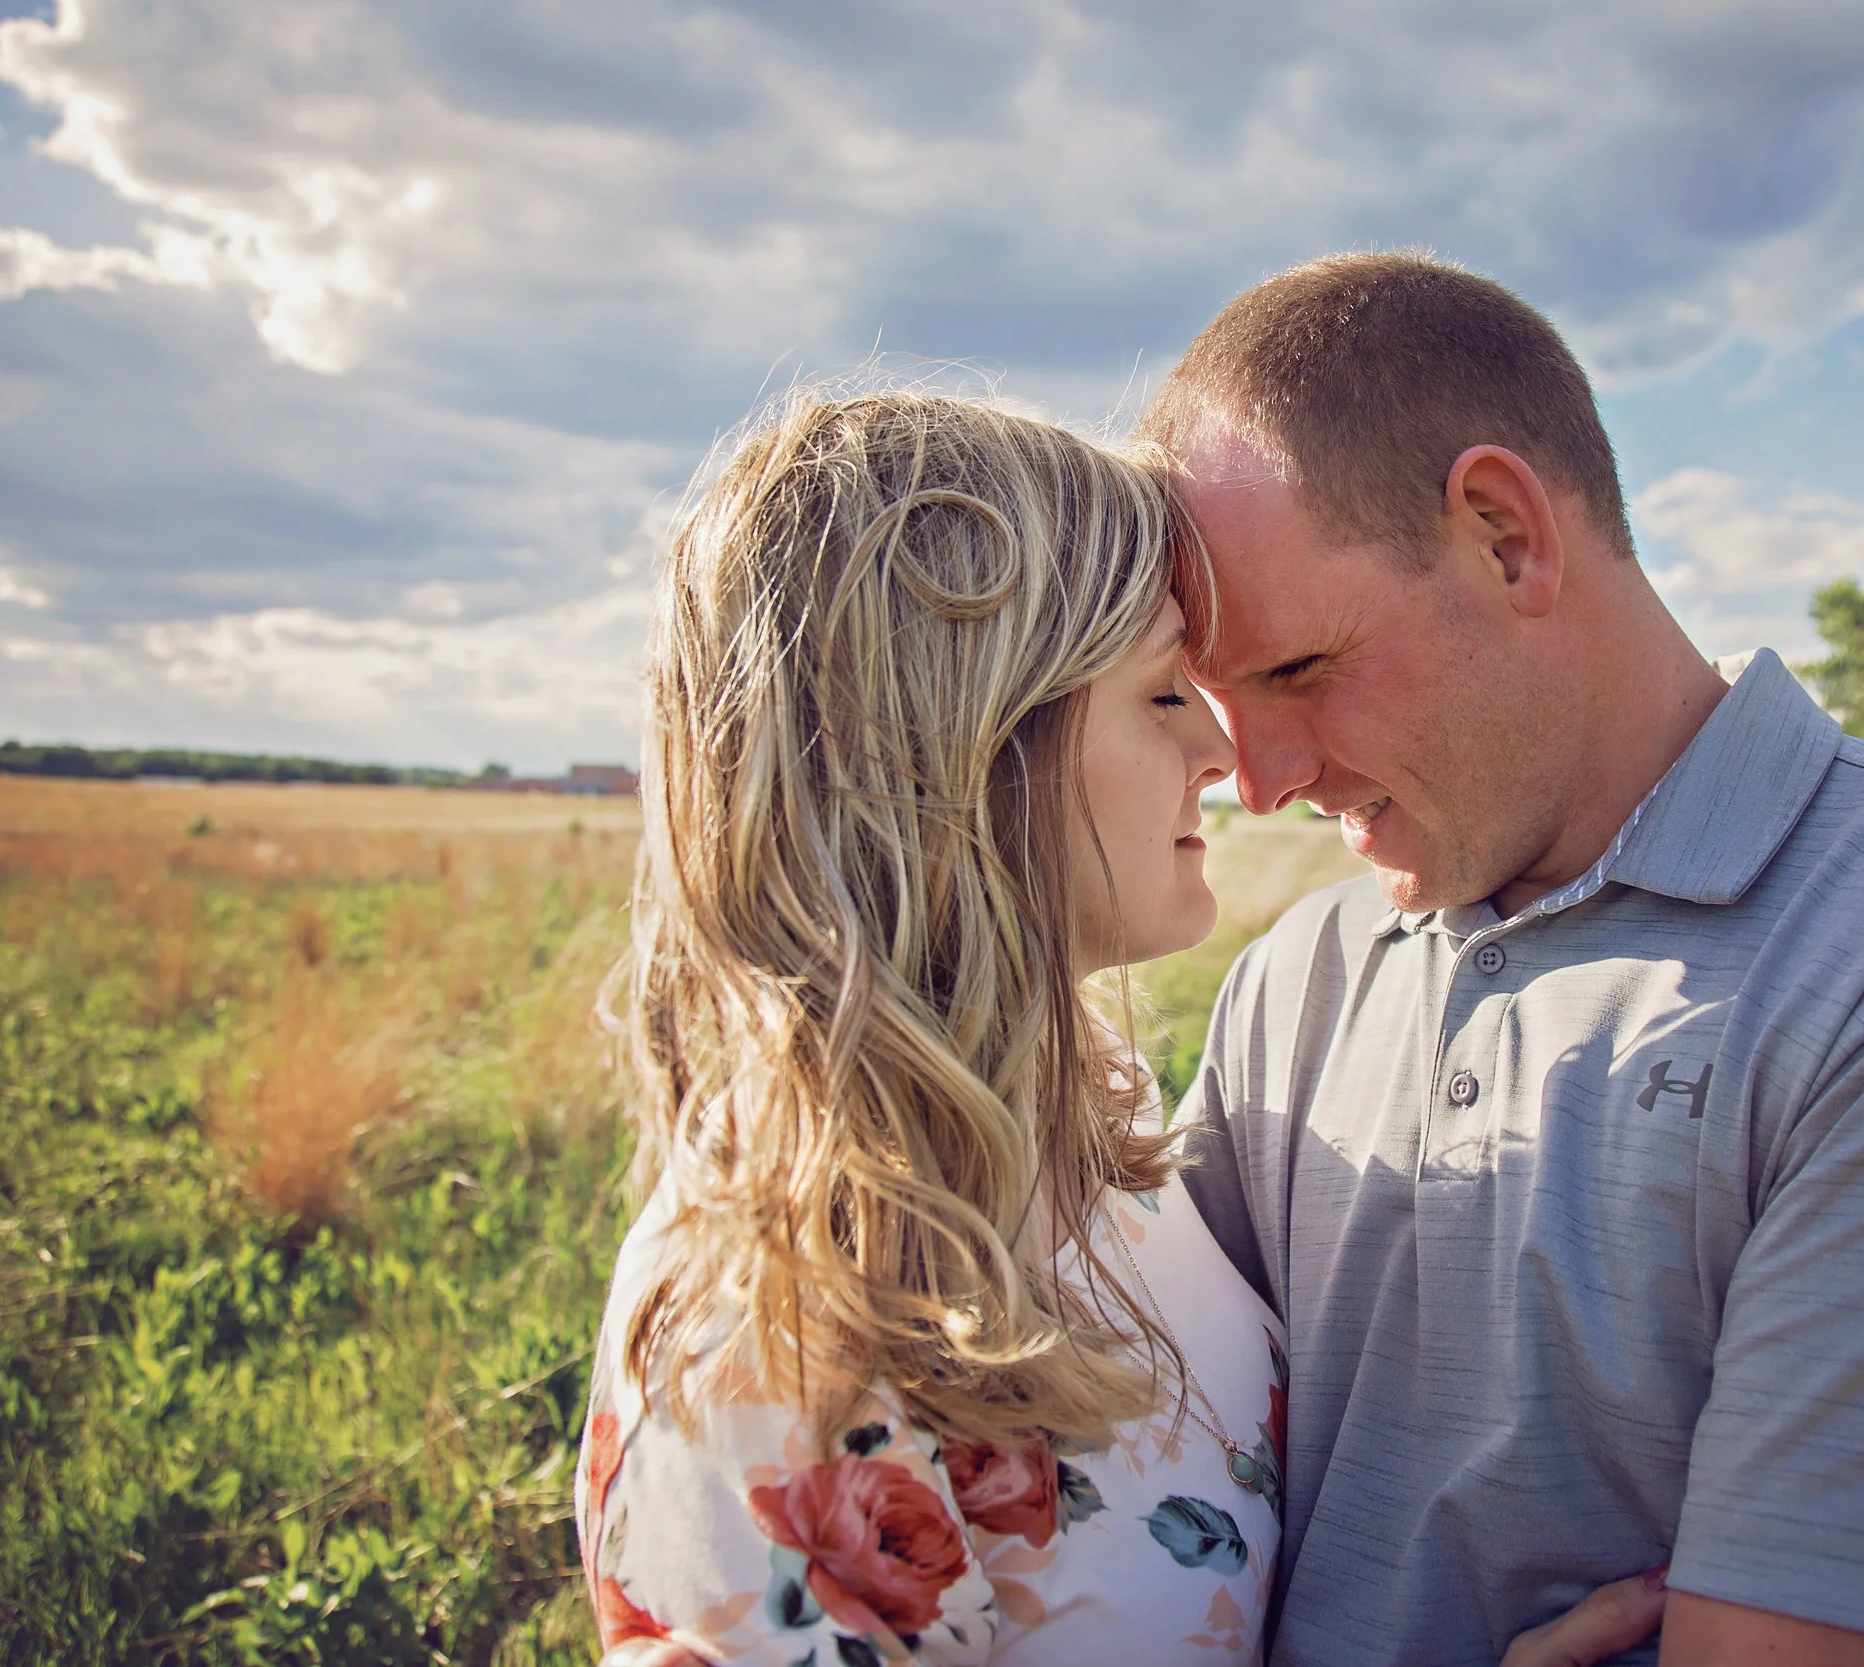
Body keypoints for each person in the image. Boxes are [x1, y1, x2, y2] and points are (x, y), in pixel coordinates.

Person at [1140, 254, 1864, 1667]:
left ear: (1504, 534)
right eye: (1213, 702)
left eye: (1298, 672)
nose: (1265, 776)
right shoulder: (1298, 977)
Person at [571, 392, 1663, 1667]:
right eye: (1161, 693)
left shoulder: (1103, 1129)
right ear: (964, 753)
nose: (1224, 751)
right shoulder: (775, 1326)